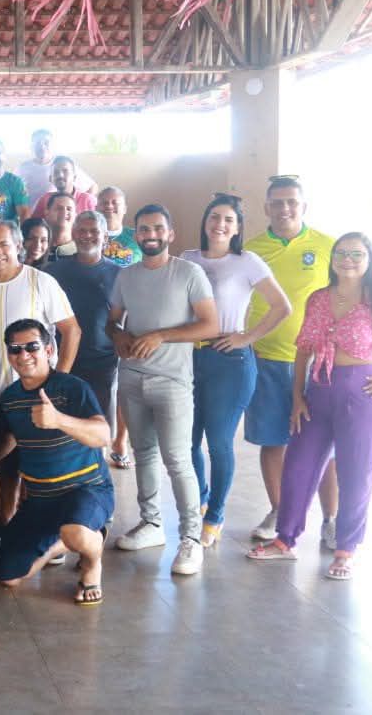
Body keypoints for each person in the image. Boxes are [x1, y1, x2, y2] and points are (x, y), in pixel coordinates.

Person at [246, 233, 372, 581]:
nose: (348, 259)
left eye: (357, 254)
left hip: (363, 394)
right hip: (318, 390)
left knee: (356, 473)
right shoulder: (319, 298)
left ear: (369, 260)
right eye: (341, 252)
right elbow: (304, 348)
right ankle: (285, 539)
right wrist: (297, 397)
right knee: (299, 466)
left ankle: (346, 549)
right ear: (331, 258)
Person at [107, 204, 218, 575]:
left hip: (172, 382)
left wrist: (161, 336)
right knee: (144, 453)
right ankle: (151, 523)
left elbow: (210, 325)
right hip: (131, 378)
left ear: (170, 233)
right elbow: (111, 321)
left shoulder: (188, 272)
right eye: (143, 229)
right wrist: (119, 336)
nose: (150, 234)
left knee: (178, 460)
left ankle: (191, 538)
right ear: (135, 234)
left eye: (157, 228)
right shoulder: (126, 275)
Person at [181, 195, 290, 546]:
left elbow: (281, 306)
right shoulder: (187, 259)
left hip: (230, 362)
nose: (220, 224)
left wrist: (247, 337)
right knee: (187, 441)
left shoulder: (247, 261)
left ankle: (215, 516)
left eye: (229, 219)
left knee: (218, 442)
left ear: (238, 227)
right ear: (205, 221)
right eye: (214, 217)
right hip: (189, 359)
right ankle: (200, 501)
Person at [243, 176, 338, 546]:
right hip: (267, 360)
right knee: (273, 440)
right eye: (277, 202)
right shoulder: (251, 250)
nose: (285, 208)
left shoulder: (328, 247)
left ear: (304, 206)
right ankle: (279, 512)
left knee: (325, 445)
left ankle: (331, 520)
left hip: (320, 365)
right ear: (266, 207)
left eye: (292, 202)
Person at [0, 320, 113, 605]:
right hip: (40, 500)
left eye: (32, 347)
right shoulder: (10, 398)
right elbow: (11, 439)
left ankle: (91, 561)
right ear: (9, 355)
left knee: (76, 533)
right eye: (16, 349)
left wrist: (58, 420)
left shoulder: (72, 387)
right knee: (8, 576)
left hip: (86, 490)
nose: (24, 355)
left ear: (48, 350)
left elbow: (103, 435)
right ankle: (65, 540)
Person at [0, 220, 79, 402]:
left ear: (19, 245)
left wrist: (57, 383)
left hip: (41, 397)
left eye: (3, 244)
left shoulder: (42, 282)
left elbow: (72, 331)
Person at [46, 212, 125, 467]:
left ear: (105, 238)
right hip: (61, 361)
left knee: (97, 429)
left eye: (94, 231)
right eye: (81, 230)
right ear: (73, 233)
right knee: (61, 426)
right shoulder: (54, 271)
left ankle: (95, 475)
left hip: (102, 363)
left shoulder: (119, 275)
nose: (87, 235)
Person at [17, 130, 96, 207]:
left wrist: (76, 208)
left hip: (60, 212)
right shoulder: (22, 168)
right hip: (33, 214)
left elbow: (92, 187)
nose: (42, 146)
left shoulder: (63, 164)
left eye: (46, 143)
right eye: (37, 143)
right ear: (32, 146)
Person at [31, 156, 97, 218]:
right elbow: (34, 224)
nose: (60, 175)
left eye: (65, 171)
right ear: (50, 179)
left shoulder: (88, 200)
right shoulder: (45, 199)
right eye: (56, 172)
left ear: (74, 177)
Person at [98, 186, 141, 267]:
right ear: (96, 208)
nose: (109, 206)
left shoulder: (139, 237)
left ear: (124, 209)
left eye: (115, 203)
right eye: (104, 203)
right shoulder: (87, 236)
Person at [44, 193, 78, 261]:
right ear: (47, 212)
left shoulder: (81, 250)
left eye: (69, 209)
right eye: (59, 208)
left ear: (75, 215)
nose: (64, 212)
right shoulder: (37, 247)